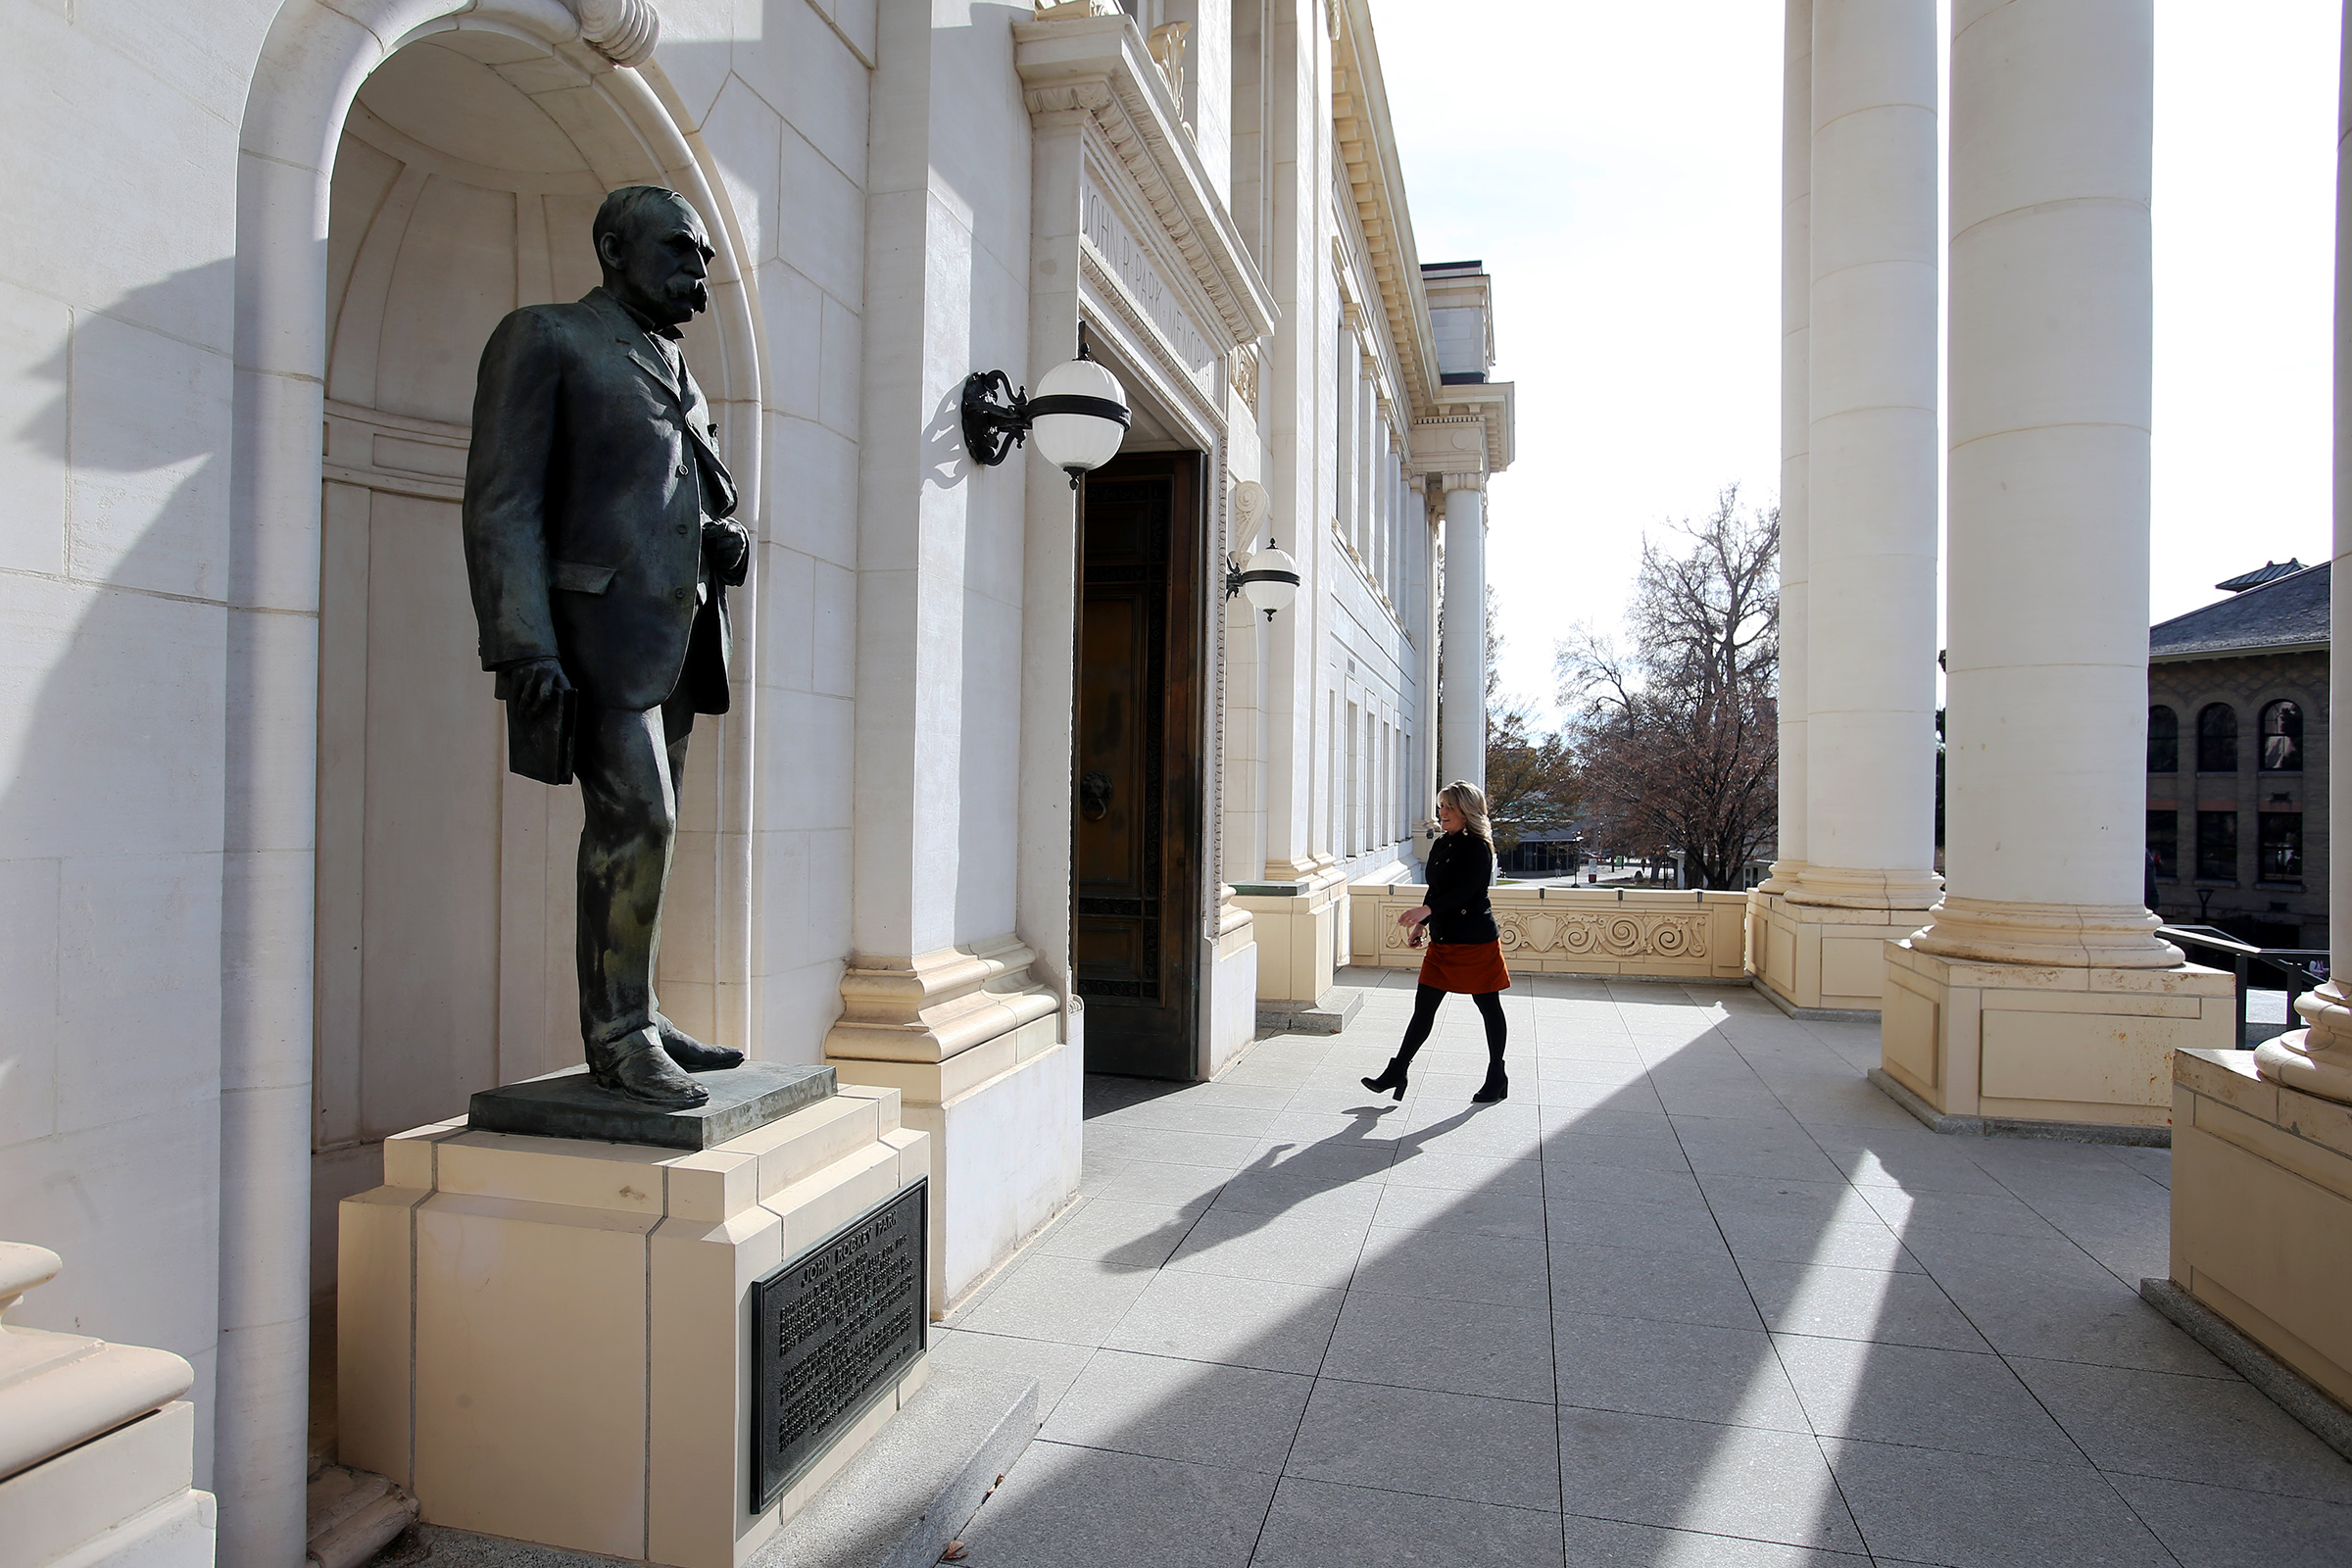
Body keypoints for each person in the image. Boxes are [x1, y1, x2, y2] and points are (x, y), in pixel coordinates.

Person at [463, 185, 754, 1108]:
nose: (698, 269)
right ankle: (618, 1034)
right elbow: (502, 504)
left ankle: (641, 1006)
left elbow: (663, 496)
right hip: (590, 643)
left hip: (675, 638)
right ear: (612, 247)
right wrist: (521, 645)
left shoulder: (681, 370)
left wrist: (719, 537)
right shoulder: (544, 337)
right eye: (679, 248)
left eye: (704, 255)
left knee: (651, 837)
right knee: (641, 822)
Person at [1362, 780, 1512, 1104]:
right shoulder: (1443, 843)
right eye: (1440, 806)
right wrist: (1422, 923)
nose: (1441, 812)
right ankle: (1397, 1070)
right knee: (1423, 1009)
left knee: (1488, 1008)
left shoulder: (1478, 847)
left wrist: (1426, 910)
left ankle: (1497, 1075)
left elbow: (1466, 893)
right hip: (1443, 940)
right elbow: (1437, 889)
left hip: (1475, 942)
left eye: (1448, 807)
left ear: (1465, 811)